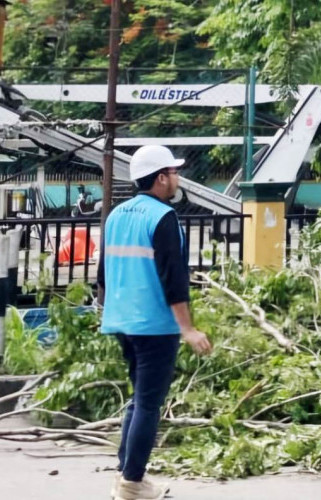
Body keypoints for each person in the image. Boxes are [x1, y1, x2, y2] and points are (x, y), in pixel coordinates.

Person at [98, 145, 213, 500]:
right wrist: (188, 328)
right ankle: (132, 482)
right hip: (154, 325)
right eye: (174, 172)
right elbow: (173, 278)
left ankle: (126, 474)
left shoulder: (117, 214)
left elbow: (102, 274)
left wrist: (106, 309)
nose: (178, 178)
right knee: (148, 403)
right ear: (161, 178)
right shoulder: (162, 217)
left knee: (139, 398)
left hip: (121, 322)